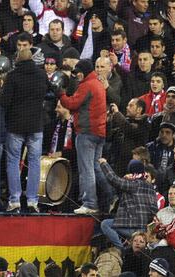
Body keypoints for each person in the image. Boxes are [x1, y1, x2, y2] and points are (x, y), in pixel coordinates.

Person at [58, 59, 111, 214]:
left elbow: (72, 104)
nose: (77, 75)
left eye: (79, 71)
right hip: (99, 133)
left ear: (85, 71)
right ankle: (111, 194)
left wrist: (60, 94)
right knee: (96, 168)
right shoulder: (98, 83)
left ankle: (90, 203)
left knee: (86, 169)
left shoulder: (88, 85)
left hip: (87, 133)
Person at [0, 49, 47, 213]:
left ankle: (15, 201)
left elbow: (5, 102)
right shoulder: (41, 75)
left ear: (17, 60)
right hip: (36, 126)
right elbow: (45, 96)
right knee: (34, 163)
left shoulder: (12, 76)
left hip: (15, 126)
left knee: (13, 161)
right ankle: (33, 201)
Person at [99, 158, 158, 250]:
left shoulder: (133, 184)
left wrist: (104, 164)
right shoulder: (151, 188)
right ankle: (128, 245)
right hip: (144, 229)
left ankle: (121, 249)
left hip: (132, 228)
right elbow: (154, 210)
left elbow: (113, 179)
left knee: (105, 224)